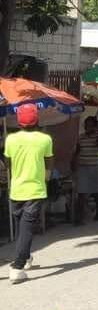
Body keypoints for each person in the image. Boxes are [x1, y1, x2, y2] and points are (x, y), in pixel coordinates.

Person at [3, 103, 53, 284]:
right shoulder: (45, 139)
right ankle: (17, 267)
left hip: (16, 190)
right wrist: (45, 178)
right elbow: (49, 164)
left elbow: (8, 164)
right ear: (37, 119)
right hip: (35, 189)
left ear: (19, 121)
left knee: (22, 227)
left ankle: (26, 257)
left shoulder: (10, 140)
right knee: (26, 228)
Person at [73, 115, 98, 224]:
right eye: (87, 125)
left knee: (95, 191)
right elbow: (77, 151)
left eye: (91, 125)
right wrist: (74, 164)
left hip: (93, 166)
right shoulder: (80, 137)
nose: (88, 127)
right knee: (81, 192)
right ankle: (79, 217)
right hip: (82, 166)